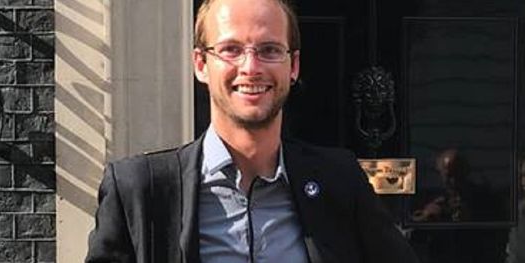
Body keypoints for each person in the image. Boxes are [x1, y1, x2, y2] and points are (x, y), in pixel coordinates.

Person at [85, 0, 419, 262]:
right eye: (231, 49)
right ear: (201, 64)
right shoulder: (139, 189)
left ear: (294, 66)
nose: (251, 67)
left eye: (270, 50)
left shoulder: (340, 180)